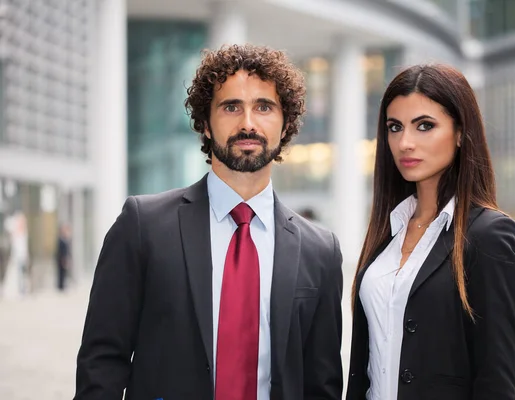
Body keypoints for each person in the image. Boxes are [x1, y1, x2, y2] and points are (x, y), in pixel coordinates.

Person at [75, 44, 344, 400]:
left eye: (264, 107)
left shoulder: (320, 250)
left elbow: (321, 384)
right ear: (205, 123)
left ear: (286, 124)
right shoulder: (143, 226)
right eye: (231, 107)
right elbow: (102, 363)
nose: (248, 123)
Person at [346, 64, 515, 400]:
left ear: (460, 133)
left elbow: (496, 379)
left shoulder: (489, 235)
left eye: (424, 126)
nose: (405, 142)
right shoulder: (389, 231)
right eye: (394, 127)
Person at [56, 223, 72, 291]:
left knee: (64, 273)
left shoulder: (66, 240)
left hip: (65, 258)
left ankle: (63, 285)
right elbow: (60, 251)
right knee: (61, 273)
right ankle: (60, 286)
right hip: (61, 259)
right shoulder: (60, 240)